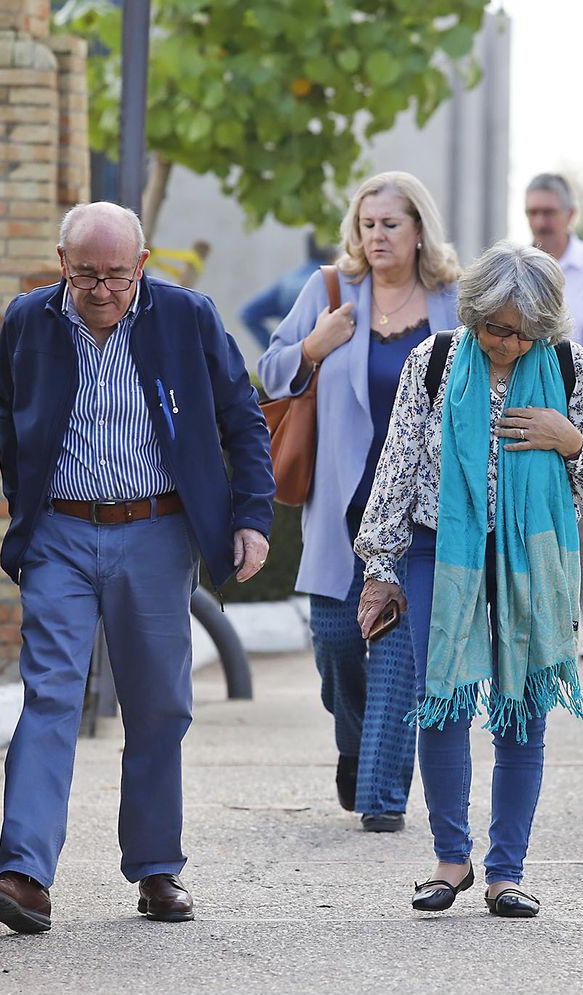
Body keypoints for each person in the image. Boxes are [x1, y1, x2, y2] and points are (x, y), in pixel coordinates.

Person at [0, 201, 274, 933]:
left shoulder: (187, 317)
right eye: (85, 276)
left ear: (142, 266)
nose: (102, 290)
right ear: (61, 263)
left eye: (116, 275)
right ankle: (25, 876)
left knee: (158, 705)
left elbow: (243, 416)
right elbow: (10, 417)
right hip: (62, 535)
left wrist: (252, 518)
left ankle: (156, 867)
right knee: (50, 694)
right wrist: (30, 511)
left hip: (157, 530)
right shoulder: (28, 322)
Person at [354, 241, 583, 917]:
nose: (500, 340)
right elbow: (397, 467)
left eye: (515, 330)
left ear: (543, 327)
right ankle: (451, 859)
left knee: (521, 710)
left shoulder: (569, 366)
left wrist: (571, 439)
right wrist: (379, 568)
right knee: (441, 700)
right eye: (490, 326)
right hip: (439, 551)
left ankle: (507, 871)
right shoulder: (437, 359)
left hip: (531, 559)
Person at [258, 172, 461, 832]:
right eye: (368, 224)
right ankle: (355, 739)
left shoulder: (451, 303)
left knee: (399, 657)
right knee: (339, 642)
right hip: (341, 505)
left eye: (390, 224)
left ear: (420, 229)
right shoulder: (329, 291)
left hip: (418, 514)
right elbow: (271, 370)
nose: (377, 236)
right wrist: (314, 345)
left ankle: (381, 795)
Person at [525, 172, 583, 658]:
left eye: (548, 213)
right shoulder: (516, 270)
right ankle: (545, 626)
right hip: (529, 413)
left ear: (570, 215)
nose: (540, 223)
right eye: (533, 213)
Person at [240, 234, 336, 351]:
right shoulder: (333, 282)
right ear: (332, 253)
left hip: (293, 358)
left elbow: (247, 314)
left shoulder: (288, 281)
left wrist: (274, 350)